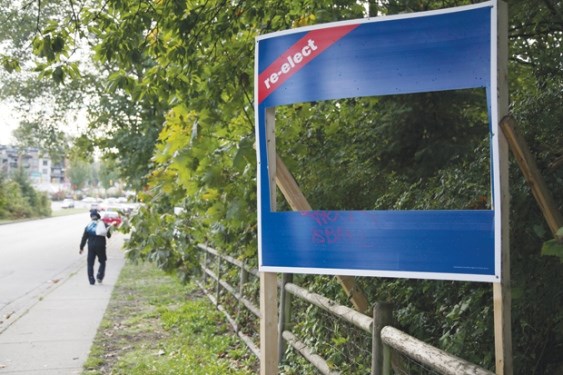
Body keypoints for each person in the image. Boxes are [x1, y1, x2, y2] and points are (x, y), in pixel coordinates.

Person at [80, 209, 112, 285]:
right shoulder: (103, 224)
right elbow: (109, 236)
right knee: (102, 261)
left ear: (91, 217)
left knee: (90, 263)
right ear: (98, 217)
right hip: (101, 246)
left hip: (91, 247)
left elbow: (84, 238)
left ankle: (91, 280)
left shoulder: (88, 226)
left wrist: (81, 247)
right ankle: (99, 276)